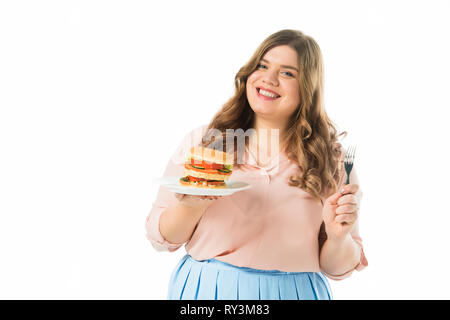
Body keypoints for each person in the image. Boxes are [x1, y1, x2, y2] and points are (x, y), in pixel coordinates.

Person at [145, 29, 368, 300]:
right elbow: (162, 238)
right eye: (262, 66)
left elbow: (337, 267)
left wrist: (338, 237)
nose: (269, 79)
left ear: (308, 87)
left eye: (287, 73)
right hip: (207, 292)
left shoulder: (331, 161)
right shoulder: (205, 143)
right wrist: (191, 206)